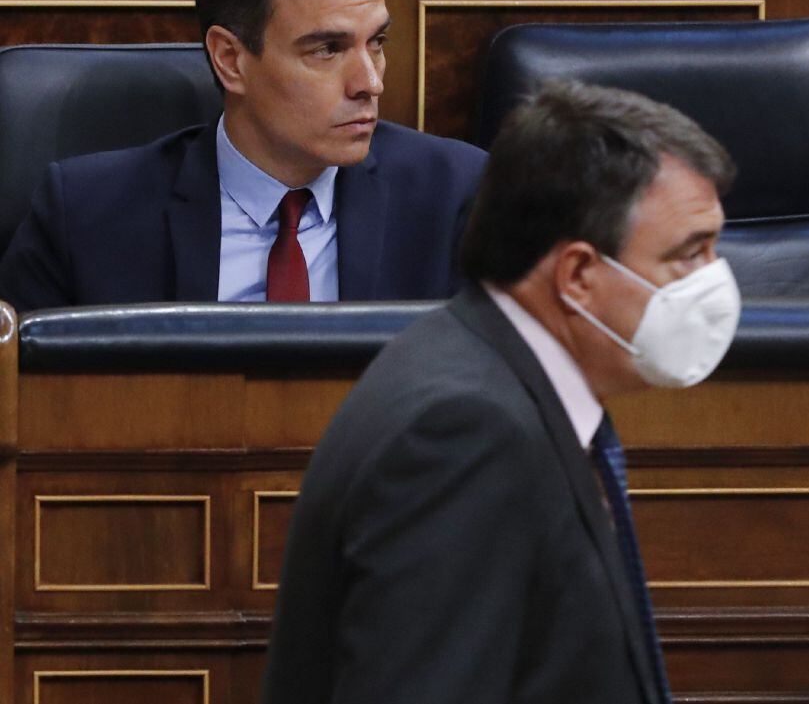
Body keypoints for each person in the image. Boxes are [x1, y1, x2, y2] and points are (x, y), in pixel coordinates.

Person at [261, 80, 740, 704]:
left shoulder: (487, 372)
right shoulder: (466, 435)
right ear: (578, 276)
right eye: (689, 254)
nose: (715, 284)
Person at [0, 0, 487, 313]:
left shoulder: (455, 197)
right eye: (327, 50)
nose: (370, 82)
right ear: (230, 60)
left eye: (376, 42)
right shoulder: (86, 217)